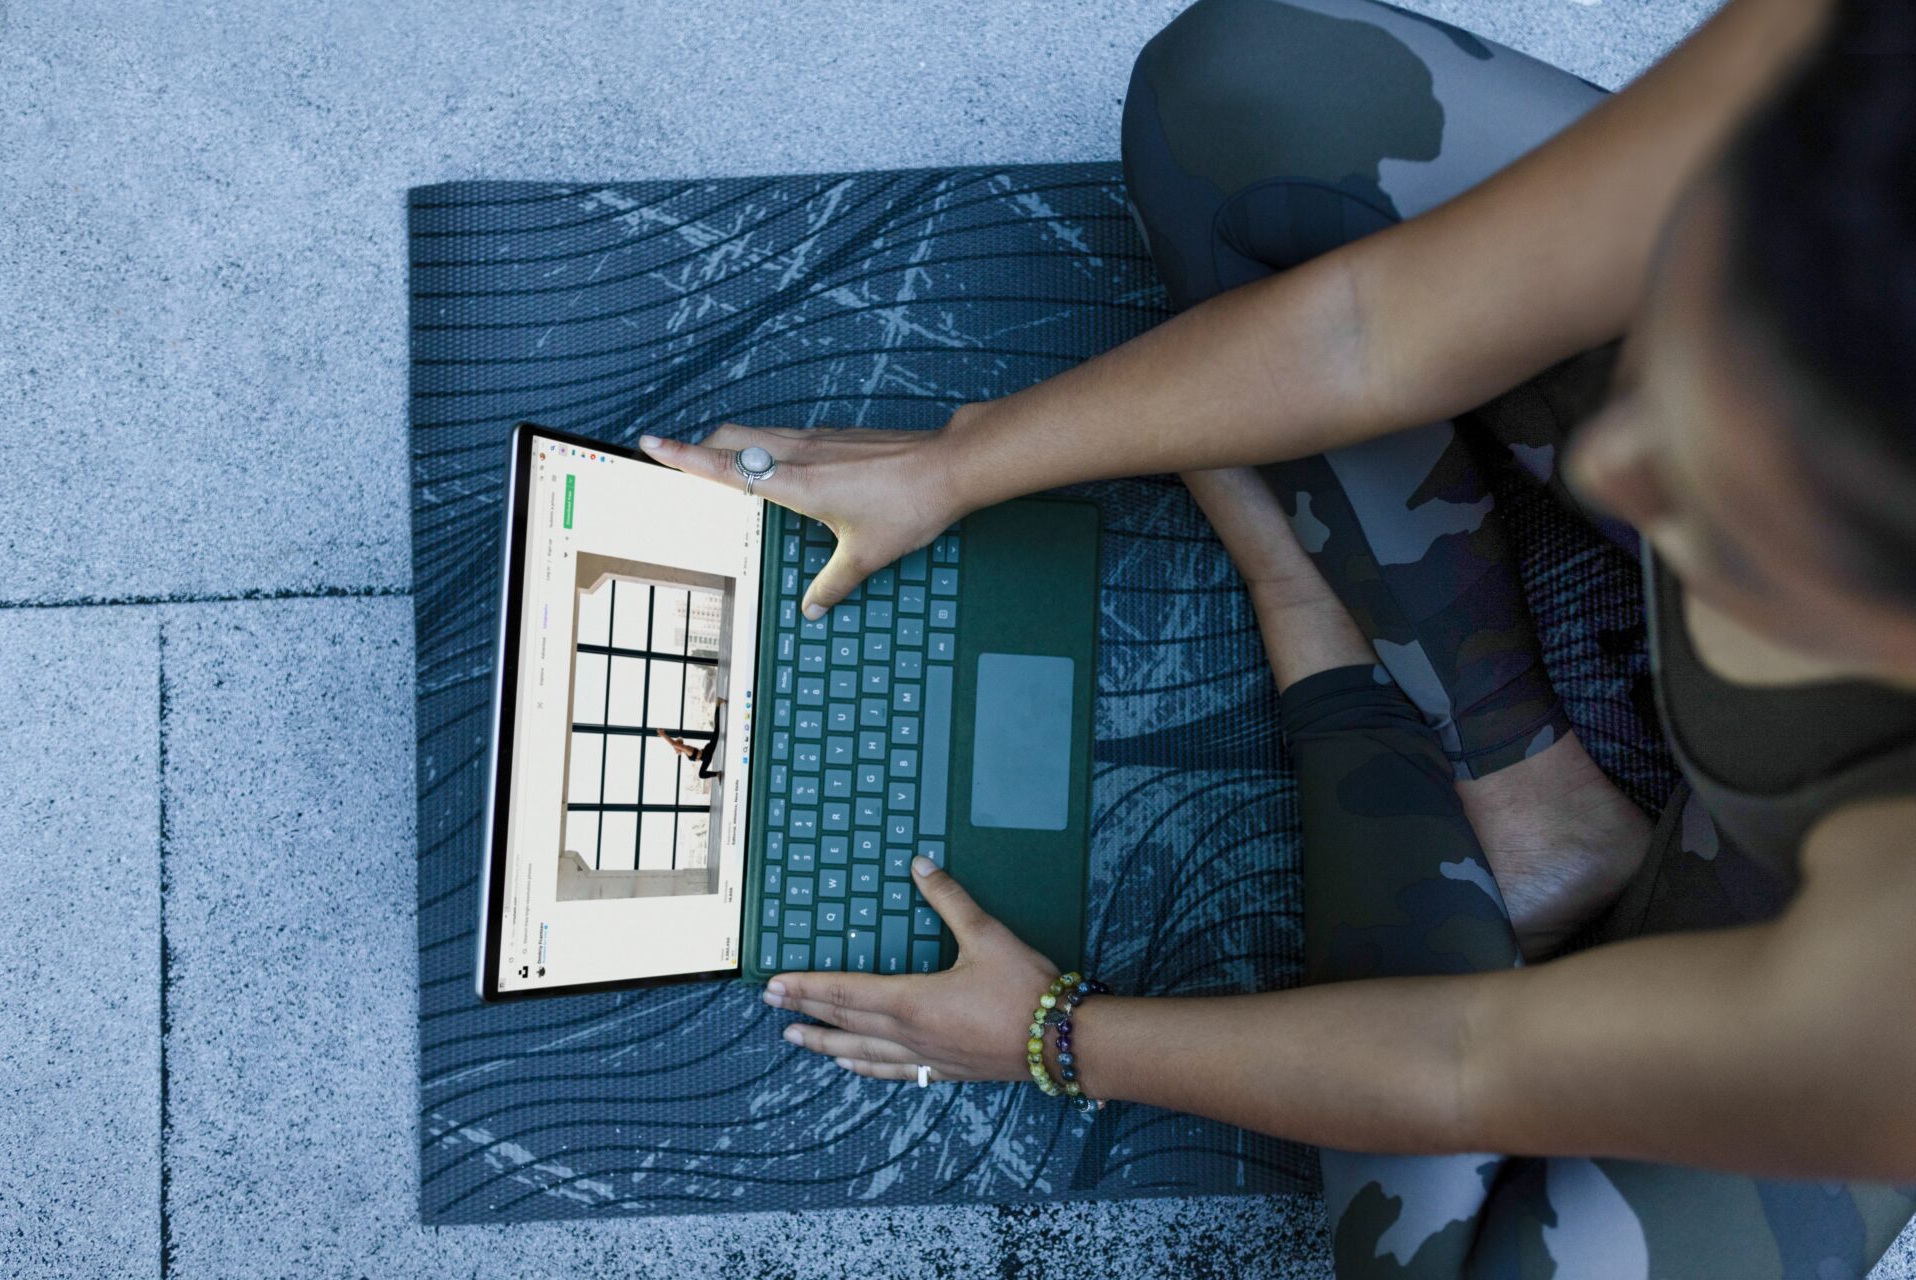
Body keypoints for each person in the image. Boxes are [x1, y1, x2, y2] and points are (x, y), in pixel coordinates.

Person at [641, 0, 1916, 1272]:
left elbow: (1468, 1061)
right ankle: (1524, 786)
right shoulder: (1853, 62)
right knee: (1241, 90)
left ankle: (1332, 631)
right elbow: (1372, 326)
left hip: (1823, 924)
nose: (1618, 463)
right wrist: (959, 464)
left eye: (1743, 514)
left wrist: (1052, 1034)